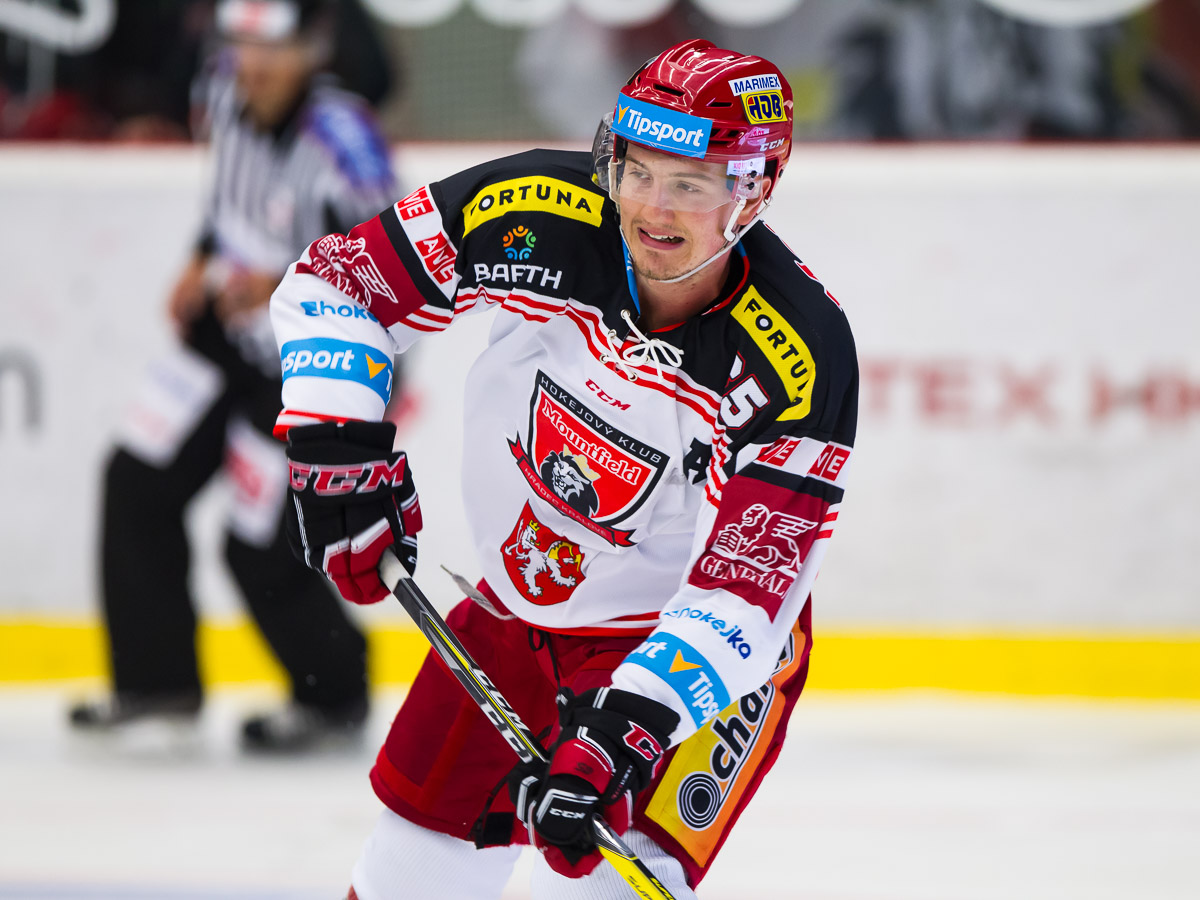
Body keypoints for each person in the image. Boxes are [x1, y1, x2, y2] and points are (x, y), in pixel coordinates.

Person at [272, 39, 858, 897]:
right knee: (404, 874)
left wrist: (631, 726)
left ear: (755, 190)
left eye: (691, 184)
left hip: (692, 661)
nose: (651, 209)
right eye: (637, 171)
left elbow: (746, 593)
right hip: (512, 613)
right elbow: (337, 285)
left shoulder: (798, 352)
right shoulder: (536, 208)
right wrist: (334, 446)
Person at [69, 0, 400, 752]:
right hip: (229, 336)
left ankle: (333, 696)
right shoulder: (221, 88)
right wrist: (200, 262)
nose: (252, 65)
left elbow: (390, 273)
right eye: (241, 45)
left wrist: (279, 282)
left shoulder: (345, 144)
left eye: (271, 49)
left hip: (312, 368)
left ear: (312, 49)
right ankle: (156, 684)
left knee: (257, 541)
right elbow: (226, 202)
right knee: (136, 479)